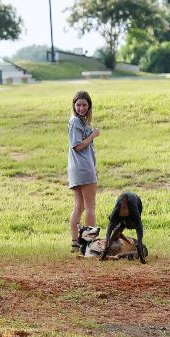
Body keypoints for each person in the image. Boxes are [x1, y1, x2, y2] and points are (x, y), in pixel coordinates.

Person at [67, 91, 99, 250]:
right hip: (83, 168)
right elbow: (78, 146)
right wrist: (93, 135)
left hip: (77, 169)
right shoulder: (75, 122)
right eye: (78, 104)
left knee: (79, 207)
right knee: (90, 207)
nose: (81, 108)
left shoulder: (79, 122)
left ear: (89, 106)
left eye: (84, 105)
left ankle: (75, 243)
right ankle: (90, 245)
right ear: (73, 105)